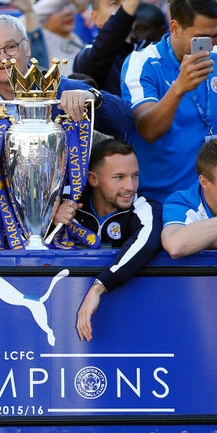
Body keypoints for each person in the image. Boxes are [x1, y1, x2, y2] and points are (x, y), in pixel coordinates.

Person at [121, 0, 217, 201]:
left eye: (216, 35)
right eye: (201, 38)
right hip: (159, 198)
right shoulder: (143, 63)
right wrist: (179, 87)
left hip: (213, 196)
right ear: (175, 28)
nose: (210, 46)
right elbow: (148, 130)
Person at [51, 139, 162, 342]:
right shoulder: (67, 204)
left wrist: (99, 287)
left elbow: (147, 243)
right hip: (60, 318)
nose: (130, 186)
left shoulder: (145, 207)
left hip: (129, 324)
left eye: (135, 176)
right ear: (93, 179)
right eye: (119, 177)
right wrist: (50, 223)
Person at [0, 14, 134, 138]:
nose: (3, 58)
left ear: (27, 48)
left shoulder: (61, 89)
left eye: (11, 47)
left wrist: (95, 99)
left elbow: (125, 121)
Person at [71, 0, 147, 95]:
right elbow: (109, 40)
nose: (126, 7)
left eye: (127, 1)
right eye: (115, 3)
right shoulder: (87, 55)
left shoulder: (149, 49)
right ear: (95, 17)